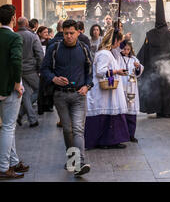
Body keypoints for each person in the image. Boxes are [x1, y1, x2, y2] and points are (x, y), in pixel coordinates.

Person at [40, 19, 93, 177]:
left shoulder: (84, 48)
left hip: (79, 95)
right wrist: (54, 78)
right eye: (66, 33)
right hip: (60, 96)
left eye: (71, 33)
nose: (68, 36)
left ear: (78, 32)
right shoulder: (54, 48)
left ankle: (80, 162)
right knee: (68, 130)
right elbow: (44, 68)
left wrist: (87, 86)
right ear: (62, 32)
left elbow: (90, 71)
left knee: (77, 129)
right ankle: (72, 160)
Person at [137, 0, 170, 118]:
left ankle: (160, 109)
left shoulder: (151, 34)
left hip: (155, 68)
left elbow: (143, 52)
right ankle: (168, 110)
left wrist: (137, 62)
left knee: (158, 87)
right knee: (167, 87)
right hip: (167, 68)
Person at [84, 28, 129, 150]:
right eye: (118, 41)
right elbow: (100, 71)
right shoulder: (104, 53)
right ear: (113, 40)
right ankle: (104, 141)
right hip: (102, 92)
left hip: (109, 92)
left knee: (111, 114)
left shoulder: (108, 52)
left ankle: (110, 140)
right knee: (104, 114)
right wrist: (117, 71)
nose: (119, 44)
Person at [0, 4, 28, 180]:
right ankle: (4, 167)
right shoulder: (14, 38)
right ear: (13, 18)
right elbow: (16, 61)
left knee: (7, 127)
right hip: (9, 87)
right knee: (8, 127)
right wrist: (18, 84)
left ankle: (13, 161)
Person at [16, 17, 44, 128]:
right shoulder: (32, 36)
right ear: (27, 24)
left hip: (19, 70)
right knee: (39, 90)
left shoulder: (15, 36)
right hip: (31, 69)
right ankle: (21, 113)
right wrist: (40, 69)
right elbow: (39, 54)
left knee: (26, 94)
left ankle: (32, 119)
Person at [118, 41, 144, 143]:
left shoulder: (134, 59)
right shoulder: (117, 58)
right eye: (124, 49)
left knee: (131, 112)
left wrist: (137, 67)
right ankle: (122, 135)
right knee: (122, 112)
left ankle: (131, 134)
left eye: (128, 49)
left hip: (131, 88)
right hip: (121, 87)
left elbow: (139, 71)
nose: (126, 51)